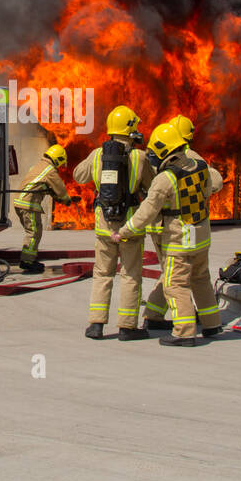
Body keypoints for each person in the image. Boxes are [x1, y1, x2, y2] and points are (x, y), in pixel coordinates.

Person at [113, 122, 224, 347]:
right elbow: (211, 188)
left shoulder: (165, 178)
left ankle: (184, 333)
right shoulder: (201, 166)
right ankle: (212, 324)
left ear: (163, 150)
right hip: (201, 235)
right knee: (201, 278)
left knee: (175, 284)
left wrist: (123, 232)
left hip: (178, 240)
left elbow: (146, 212)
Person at [73, 105, 155, 340]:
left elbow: (79, 175)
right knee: (130, 275)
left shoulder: (98, 155)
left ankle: (96, 325)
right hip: (130, 227)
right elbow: (152, 187)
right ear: (130, 129)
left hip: (104, 226)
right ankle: (127, 328)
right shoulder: (139, 157)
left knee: (102, 274)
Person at [144, 114, 197, 330]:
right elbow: (216, 180)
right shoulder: (190, 156)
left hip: (160, 224)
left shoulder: (159, 156)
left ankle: (154, 315)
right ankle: (183, 324)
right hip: (179, 226)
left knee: (171, 272)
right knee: (178, 275)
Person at [14, 144, 72, 274]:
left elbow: (43, 187)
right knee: (34, 233)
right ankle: (28, 262)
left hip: (21, 203)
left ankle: (28, 259)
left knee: (33, 232)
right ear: (57, 159)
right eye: (61, 163)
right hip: (28, 205)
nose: (60, 166)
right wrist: (66, 200)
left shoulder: (39, 166)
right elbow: (60, 188)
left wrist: (54, 196)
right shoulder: (49, 170)